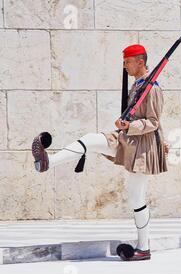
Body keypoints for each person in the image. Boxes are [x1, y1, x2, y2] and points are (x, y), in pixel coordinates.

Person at [31, 44, 169, 261]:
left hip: (142, 148)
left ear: (140, 62)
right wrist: (126, 127)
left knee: (136, 196)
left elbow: (153, 121)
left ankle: (143, 248)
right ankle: (48, 161)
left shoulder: (153, 88)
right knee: (91, 140)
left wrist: (130, 127)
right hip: (125, 139)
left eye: (127, 62)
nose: (124, 66)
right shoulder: (138, 85)